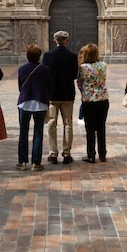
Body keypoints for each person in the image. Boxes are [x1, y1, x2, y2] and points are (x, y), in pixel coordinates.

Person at [42, 30, 79, 165]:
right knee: (68, 123)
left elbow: (44, 74)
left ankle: (53, 153)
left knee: (52, 123)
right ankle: (67, 153)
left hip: (52, 94)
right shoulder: (72, 56)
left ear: (54, 41)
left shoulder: (47, 55)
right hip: (67, 94)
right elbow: (75, 75)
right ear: (67, 41)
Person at [16, 44, 50, 171]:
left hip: (24, 102)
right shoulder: (45, 69)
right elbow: (48, 86)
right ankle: (36, 162)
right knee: (38, 133)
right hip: (40, 102)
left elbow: (20, 86)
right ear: (39, 56)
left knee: (23, 132)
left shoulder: (22, 69)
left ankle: (22, 161)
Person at [77, 43, 109, 164]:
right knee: (101, 127)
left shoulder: (83, 67)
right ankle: (102, 154)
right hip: (103, 98)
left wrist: (84, 90)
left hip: (89, 100)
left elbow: (79, 82)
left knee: (90, 129)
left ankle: (91, 155)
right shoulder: (103, 65)